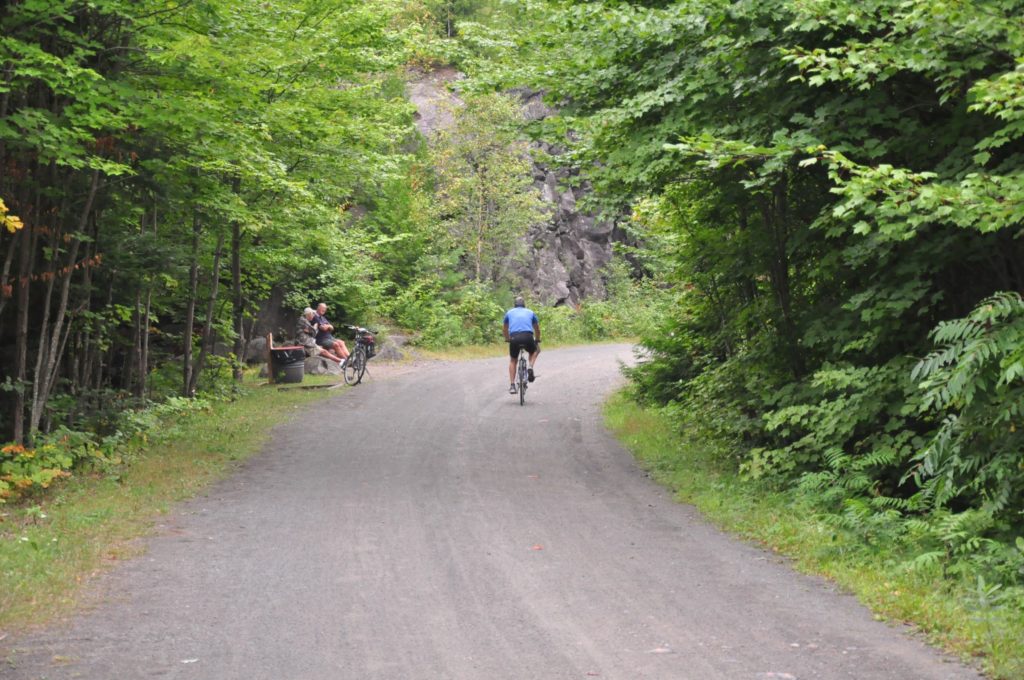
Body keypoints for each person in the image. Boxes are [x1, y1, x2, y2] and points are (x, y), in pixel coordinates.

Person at [503, 295, 540, 394]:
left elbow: (505, 328)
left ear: (515, 305)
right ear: (524, 305)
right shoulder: (530, 312)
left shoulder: (509, 313)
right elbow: (537, 328)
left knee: (513, 360)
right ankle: (530, 367)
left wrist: (507, 339)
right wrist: (538, 339)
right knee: (535, 350)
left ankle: (512, 385)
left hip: (514, 337)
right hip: (528, 336)